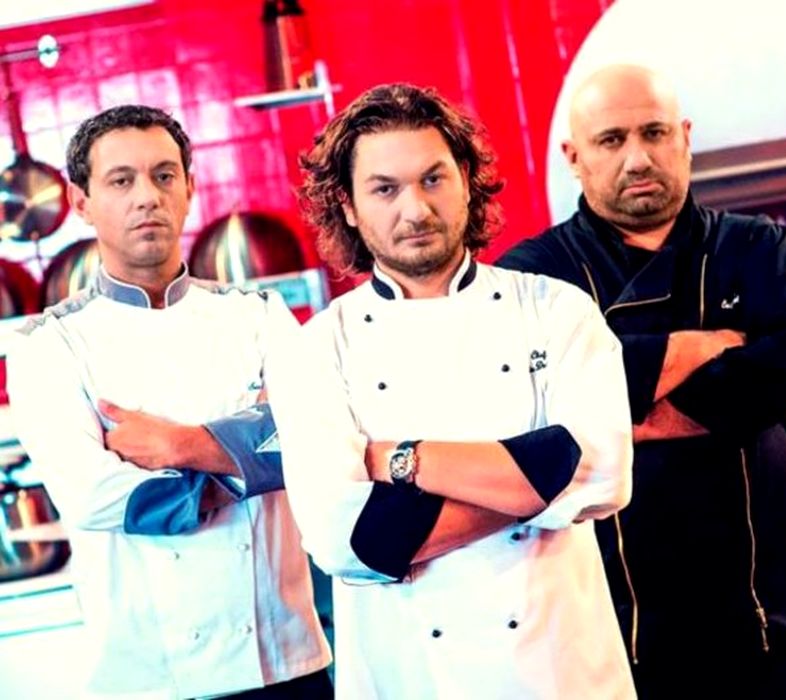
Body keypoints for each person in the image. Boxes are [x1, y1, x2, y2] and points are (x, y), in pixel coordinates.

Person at [265, 83, 636, 699]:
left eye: (433, 179)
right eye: (385, 189)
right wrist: (532, 477)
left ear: (466, 180)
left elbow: (603, 477)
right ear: (349, 206)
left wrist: (399, 460)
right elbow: (346, 541)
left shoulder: (556, 310)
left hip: (559, 670)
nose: (415, 209)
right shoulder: (317, 349)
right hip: (413, 678)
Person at [497, 64, 786, 699]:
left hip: (778, 617)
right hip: (626, 639)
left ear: (683, 137)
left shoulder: (759, 247)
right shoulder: (533, 279)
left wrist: (616, 417)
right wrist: (702, 348)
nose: (638, 158)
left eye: (654, 133)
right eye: (611, 140)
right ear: (573, 156)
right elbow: (534, 407)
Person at [6, 105, 332, 700]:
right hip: (152, 679)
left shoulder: (258, 316)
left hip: (284, 661)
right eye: (121, 180)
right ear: (81, 202)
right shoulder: (48, 345)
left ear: (188, 188)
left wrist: (181, 446)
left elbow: (320, 437)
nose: (147, 197)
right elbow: (93, 494)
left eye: (163, 176)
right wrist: (244, 463)